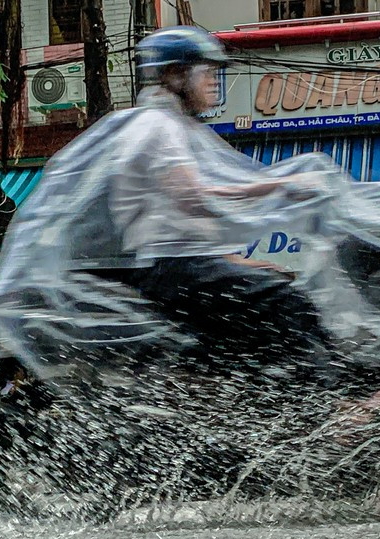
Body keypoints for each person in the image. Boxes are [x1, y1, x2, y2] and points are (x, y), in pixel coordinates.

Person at [97, 26, 337, 382]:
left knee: (249, 339)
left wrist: (237, 261)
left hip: (177, 267)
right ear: (176, 75)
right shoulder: (159, 126)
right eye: (206, 72)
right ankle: (341, 404)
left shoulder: (166, 124)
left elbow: (177, 221)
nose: (213, 82)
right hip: (174, 270)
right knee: (290, 302)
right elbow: (193, 199)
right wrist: (283, 187)